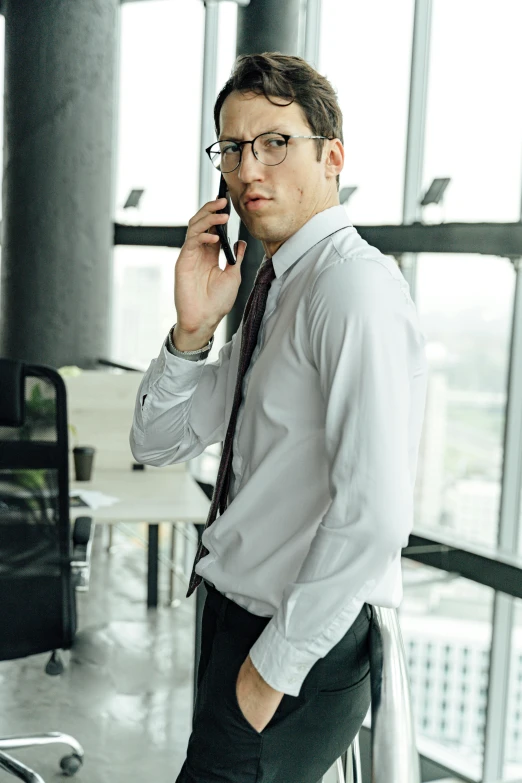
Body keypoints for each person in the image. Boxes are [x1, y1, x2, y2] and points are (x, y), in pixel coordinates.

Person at [130, 52, 428, 783]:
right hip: (240, 625)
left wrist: (269, 672)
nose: (248, 169)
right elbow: (158, 439)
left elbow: (376, 515)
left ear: (333, 156)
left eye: (274, 142)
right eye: (232, 147)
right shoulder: (278, 289)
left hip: (287, 645)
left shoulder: (353, 290)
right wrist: (192, 332)